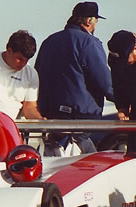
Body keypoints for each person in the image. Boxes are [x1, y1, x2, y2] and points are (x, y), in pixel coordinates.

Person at [34, 2, 113, 155]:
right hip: (79, 120)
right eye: (96, 21)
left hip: (51, 117)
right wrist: (124, 101)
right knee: (84, 168)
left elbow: (38, 76)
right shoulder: (88, 42)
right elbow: (104, 82)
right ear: (89, 21)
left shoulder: (49, 41)